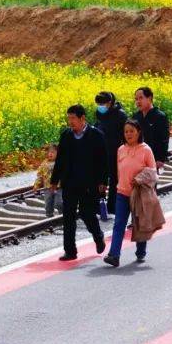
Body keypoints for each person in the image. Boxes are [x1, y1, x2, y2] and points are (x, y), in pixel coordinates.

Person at [49, 105, 108, 261]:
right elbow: (60, 160)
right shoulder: (66, 135)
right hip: (69, 183)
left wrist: (103, 181)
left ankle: (98, 236)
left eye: (73, 118)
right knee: (68, 217)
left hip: (89, 183)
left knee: (87, 213)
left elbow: (103, 161)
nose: (70, 122)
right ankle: (70, 251)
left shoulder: (96, 135)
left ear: (83, 118)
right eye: (68, 118)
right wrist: (54, 181)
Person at [103, 120, 156, 267]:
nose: (128, 134)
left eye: (131, 131)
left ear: (138, 132)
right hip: (122, 193)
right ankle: (114, 255)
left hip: (139, 194)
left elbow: (153, 173)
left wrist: (139, 180)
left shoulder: (146, 150)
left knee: (139, 224)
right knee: (119, 224)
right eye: (126, 131)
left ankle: (141, 251)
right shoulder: (121, 149)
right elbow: (119, 172)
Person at [95, 91, 127, 209]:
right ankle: (100, 205)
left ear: (110, 103)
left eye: (102, 104)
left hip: (116, 152)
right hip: (101, 152)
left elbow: (126, 135)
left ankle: (112, 206)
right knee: (100, 179)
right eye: (98, 104)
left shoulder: (120, 115)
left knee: (114, 180)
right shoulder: (99, 113)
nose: (100, 106)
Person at [131, 87, 170, 172]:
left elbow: (164, 139)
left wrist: (160, 159)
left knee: (149, 184)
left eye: (141, 98)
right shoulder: (136, 117)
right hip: (137, 158)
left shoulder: (159, 116)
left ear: (150, 98)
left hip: (153, 158)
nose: (138, 101)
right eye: (136, 99)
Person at [32, 144, 61, 218]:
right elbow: (40, 176)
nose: (50, 154)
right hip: (48, 188)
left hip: (59, 187)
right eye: (49, 152)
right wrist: (36, 185)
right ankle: (49, 218)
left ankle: (63, 215)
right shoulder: (44, 164)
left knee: (59, 203)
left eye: (53, 152)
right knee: (48, 204)